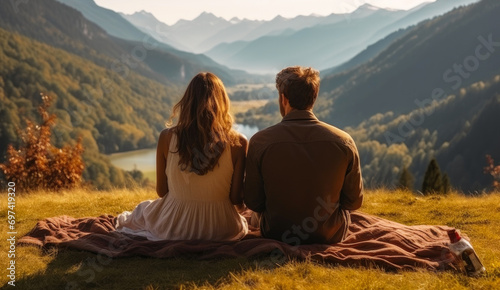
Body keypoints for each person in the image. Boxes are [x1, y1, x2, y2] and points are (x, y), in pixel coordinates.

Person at [115, 72, 248, 241]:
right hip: (222, 228)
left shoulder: (167, 137)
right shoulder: (238, 142)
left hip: (174, 227)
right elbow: (236, 198)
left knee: (142, 211)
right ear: (222, 103)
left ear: (187, 102)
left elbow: (162, 192)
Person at [244, 66, 363, 245]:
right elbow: (353, 202)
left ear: (283, 99)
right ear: (313, 98)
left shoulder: (260, 142)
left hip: (276, 233)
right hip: (330, 235)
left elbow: (253, 202)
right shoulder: (343, 142)